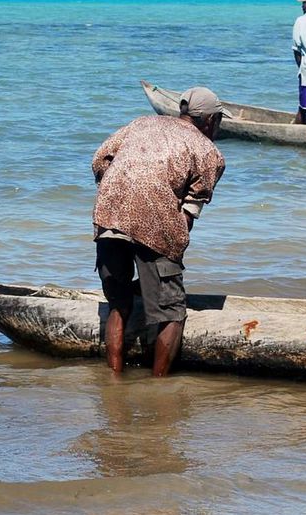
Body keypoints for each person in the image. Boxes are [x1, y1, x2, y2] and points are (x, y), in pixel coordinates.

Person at [91, 87, 226, 377]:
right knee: (172, 313)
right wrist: (170, 256)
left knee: (118, 303)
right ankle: (159, 386)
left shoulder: (141, 123)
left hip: (109, 211)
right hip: (154, 217)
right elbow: (190, 211)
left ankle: (114, 379)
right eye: (218, 121)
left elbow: (99, 159)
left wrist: (120, 194)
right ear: (210, 121)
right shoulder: (209, 151)